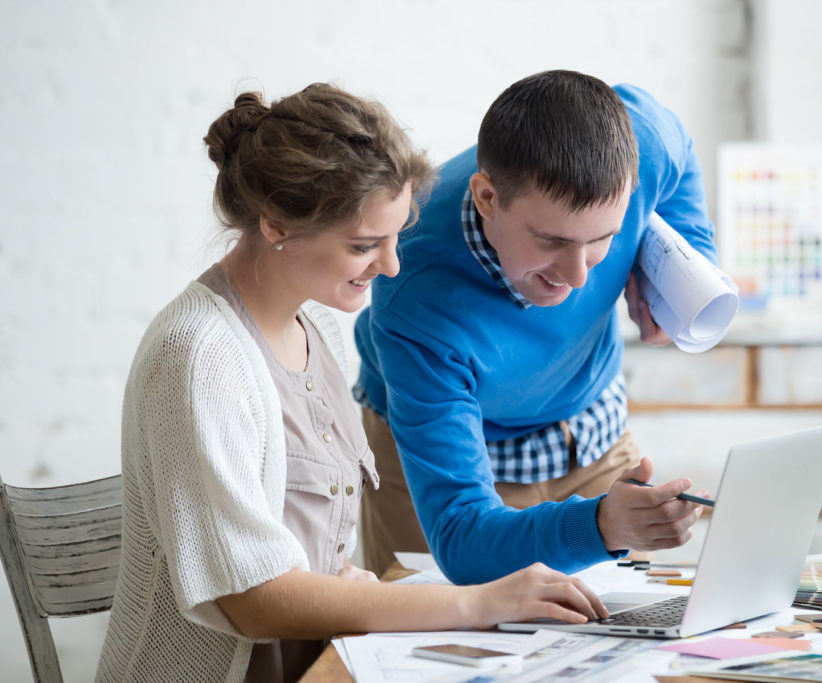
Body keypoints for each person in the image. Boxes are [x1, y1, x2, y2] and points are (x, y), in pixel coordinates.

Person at [96, 82, 607, 683]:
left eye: (396, 239)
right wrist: (477, 602)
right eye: (364, 245)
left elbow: (304, 547)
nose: (390, 266)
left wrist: (350, 583)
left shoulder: (318, 328)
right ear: (276, 224)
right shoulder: (199, 357)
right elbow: (253, 598)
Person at [354, 70, 716, 584]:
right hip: (445, 453)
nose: (578, 276)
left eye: (602, 240)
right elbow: (461, 535)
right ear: (487, 200)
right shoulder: (413, 295)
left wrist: (684, 271)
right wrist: (601, 526)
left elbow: (676, 142)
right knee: (436, 647)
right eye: (552, 241)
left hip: (590, 429)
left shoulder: (641, 145)